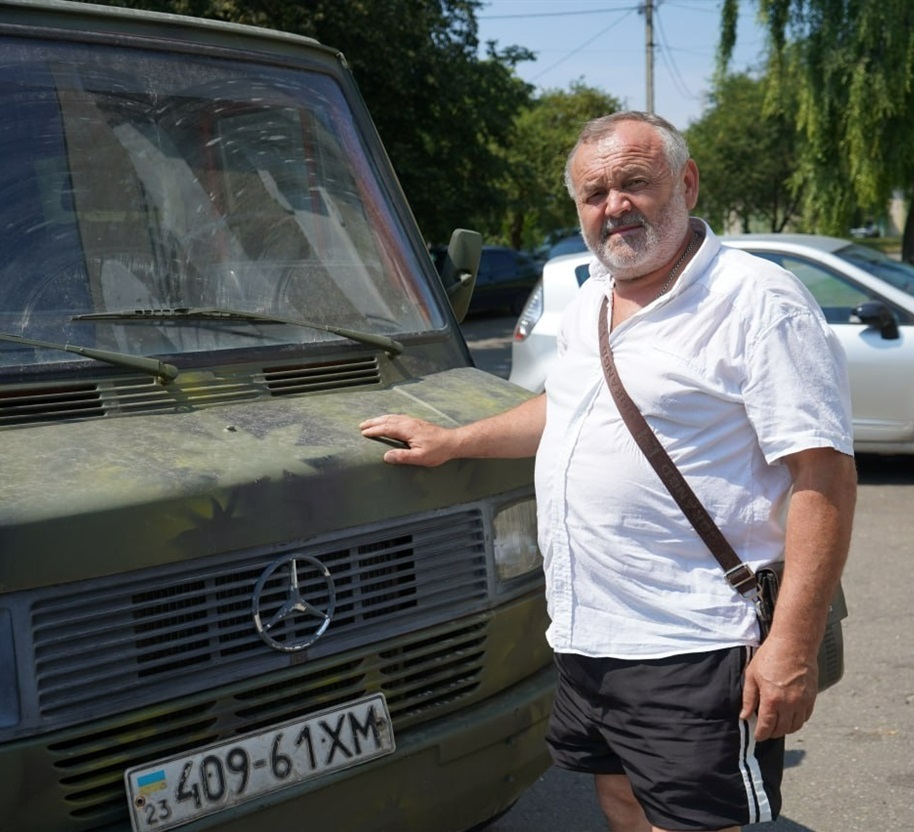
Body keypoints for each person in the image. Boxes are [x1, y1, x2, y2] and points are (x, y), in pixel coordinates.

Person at [360, 111, 856, 832]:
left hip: (692, 641)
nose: (613, 206)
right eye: (594, 193)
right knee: (620, 802)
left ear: (684, 183)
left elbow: (824, 478)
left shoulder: (757, 300)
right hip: (587, 636)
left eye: (634, 183)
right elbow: (566, 409)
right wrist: (454, 441)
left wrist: (792, 646)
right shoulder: (593, 293)